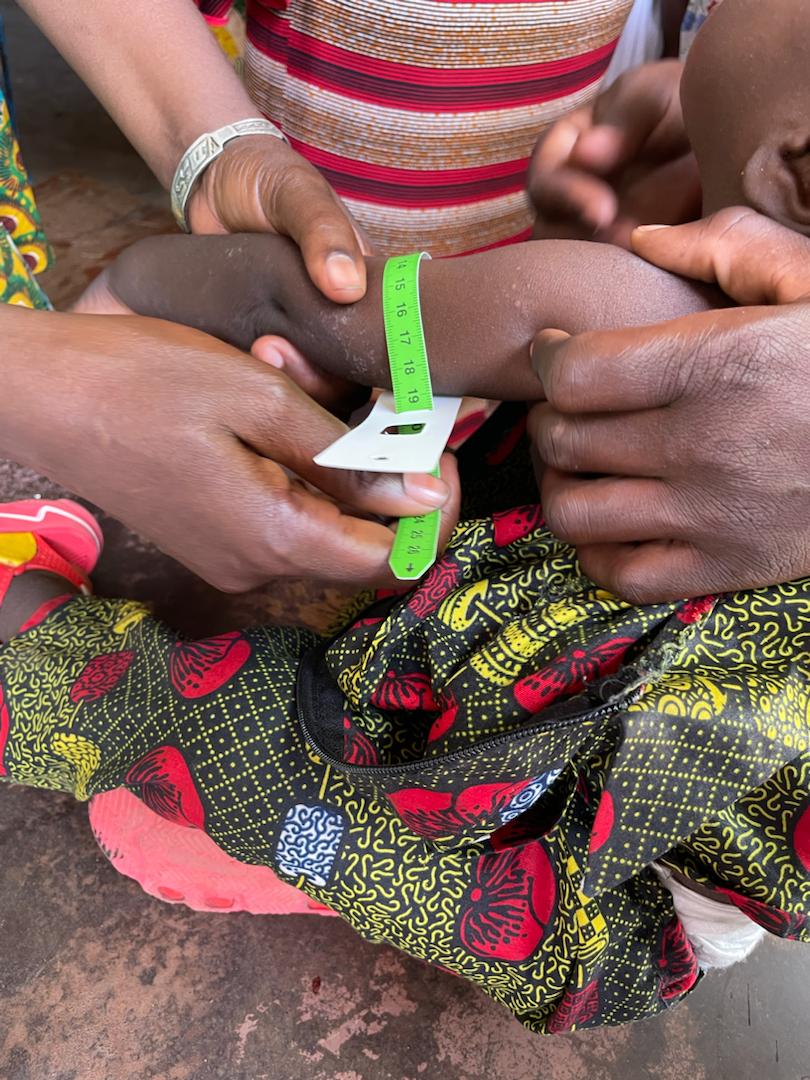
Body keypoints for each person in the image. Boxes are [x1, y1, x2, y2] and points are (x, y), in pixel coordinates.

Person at [2, 0, 809, 1035]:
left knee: (245, 748)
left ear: (795, 164)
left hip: (583, 894)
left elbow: (294, 307)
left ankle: (50, 668)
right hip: (717, 838)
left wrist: (119, 297)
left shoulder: (629, 301)